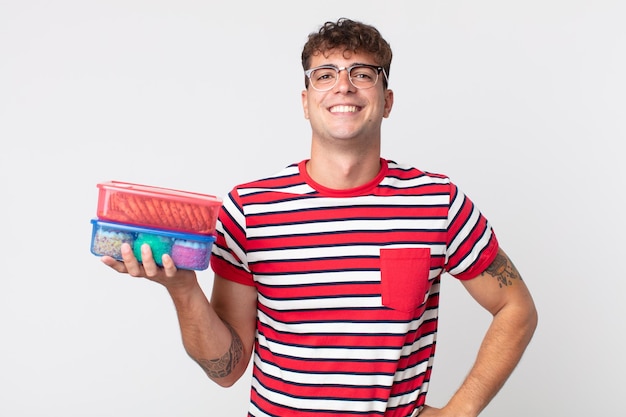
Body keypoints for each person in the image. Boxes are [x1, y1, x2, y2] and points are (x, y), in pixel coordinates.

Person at [102, 17, 538, 417]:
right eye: (324, 75)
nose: (343, 87)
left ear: (386, 101)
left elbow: (516, 307)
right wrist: (181, 288)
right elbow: (226, 370)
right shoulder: (249, 210)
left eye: (362, 74)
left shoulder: (438, 203)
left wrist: (459, 413)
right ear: (306, 102)